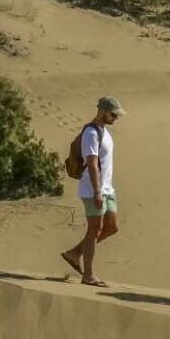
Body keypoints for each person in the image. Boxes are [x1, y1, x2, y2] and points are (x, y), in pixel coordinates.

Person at [61, 96, 124, 287]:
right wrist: (97, 191)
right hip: (93, 189)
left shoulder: (104, 132)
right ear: (102, 111)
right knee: (94, 229)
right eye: (113, 114)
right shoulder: (91, 133)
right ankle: (88, 275)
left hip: (106, 188)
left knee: (111, 227)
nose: (116, 118)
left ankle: (75, 253)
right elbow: (92, 164)